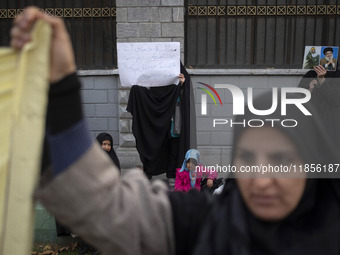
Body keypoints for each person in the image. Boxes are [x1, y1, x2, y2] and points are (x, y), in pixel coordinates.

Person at [12, 7, 340, 255]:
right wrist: (60, 93)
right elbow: (104, 209)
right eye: (248, 158)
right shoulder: (203, 222)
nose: (262, 176)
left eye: (280, 159)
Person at [127, 60, 196, 189]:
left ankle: (171, 177)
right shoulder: (158, 84)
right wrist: (136, 87)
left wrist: (182, 85)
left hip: (175, 125)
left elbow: (184, 100)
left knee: (173, 151)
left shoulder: (180, 83)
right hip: (158, 125)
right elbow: (150, 98)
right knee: (155, 148)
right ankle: (148, 175)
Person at [298, 64, 340, 151]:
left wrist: (322, 80)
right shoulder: (310, 75)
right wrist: (310, 89)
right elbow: (299, 99)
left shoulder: (337, 74)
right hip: (311, 123)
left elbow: (336, 98)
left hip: (331, 125)